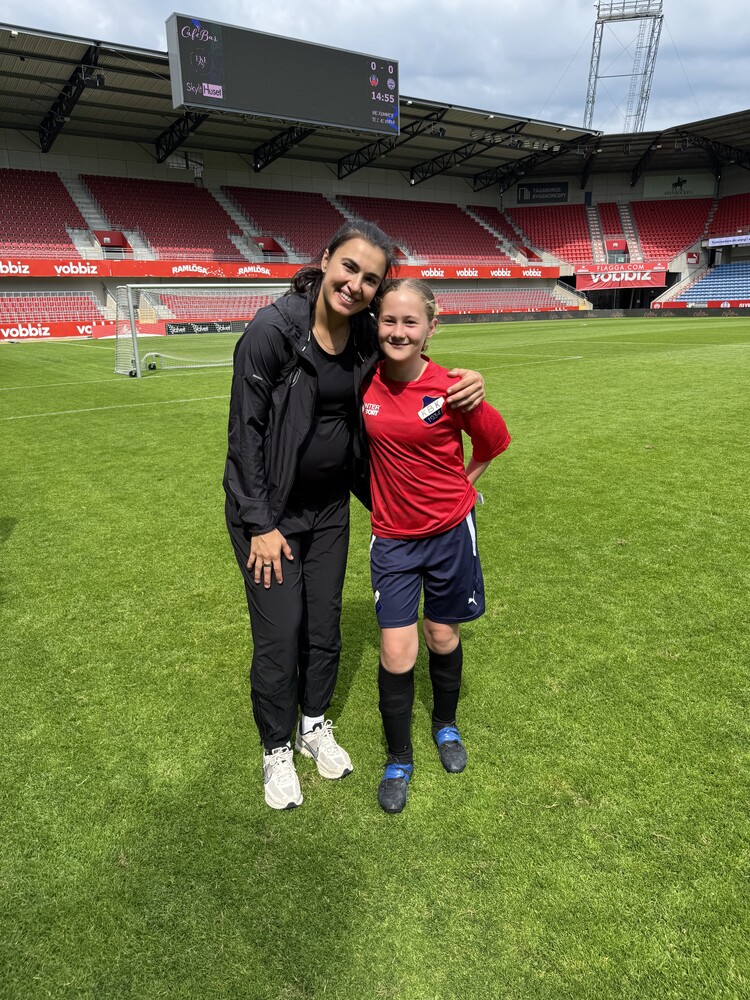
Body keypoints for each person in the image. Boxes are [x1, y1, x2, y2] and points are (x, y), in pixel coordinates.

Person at [223, 221, 486, 810]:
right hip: (270, 515)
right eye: (349, 268)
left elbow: (410, 358)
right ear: (325, 261)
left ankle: (313, 724)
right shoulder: (272, 332)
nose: (356, 284)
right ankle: (276, 747)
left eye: (370, 278)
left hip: (329, 510)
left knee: (323, 626)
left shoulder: (366, 332)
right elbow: (245, 433)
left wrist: (466, 381)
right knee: (280, 633)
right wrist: (260, 524)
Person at [361, 278, 511, 814]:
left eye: (410, 321)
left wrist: (465, 484)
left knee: (441, 635)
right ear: (376, 325)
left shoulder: (454, 386)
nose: (398, 331)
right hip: (394, 540)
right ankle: (399, 758)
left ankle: (445, 725)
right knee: (397, 651)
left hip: (450, 534)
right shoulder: (362, 384)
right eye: (389, 320)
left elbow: (493, 441)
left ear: (430, 327)